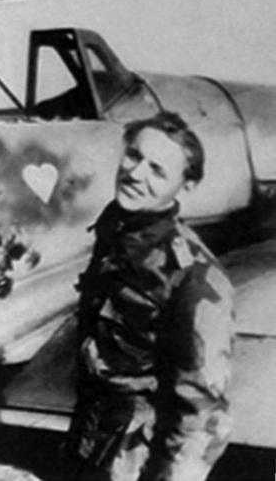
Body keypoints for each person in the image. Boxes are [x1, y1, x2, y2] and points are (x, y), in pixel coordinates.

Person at [65, 112, 235, 480]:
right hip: (92, 442)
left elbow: (203, 412)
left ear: (186, 187)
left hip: (137, 463)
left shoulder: (193, 275)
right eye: (134, 155)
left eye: (157, 170)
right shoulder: (118, 233)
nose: (136, 173)